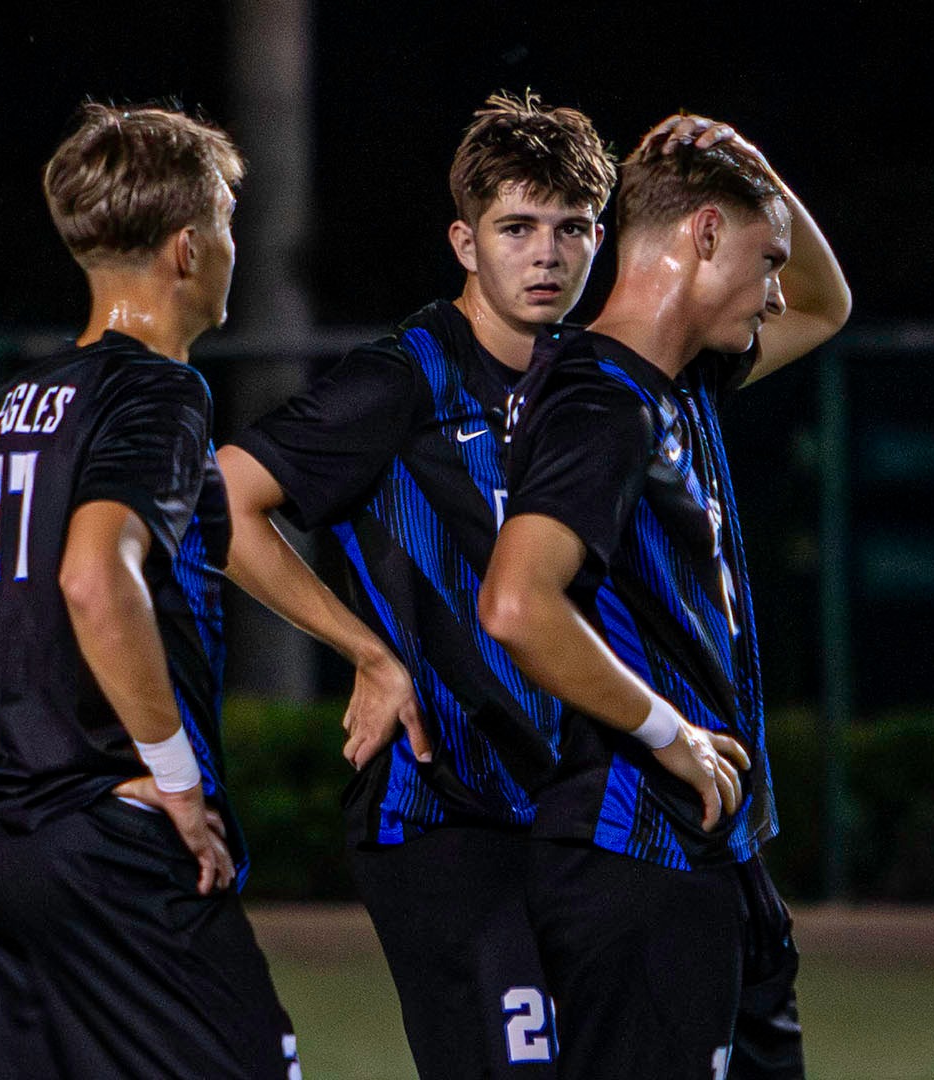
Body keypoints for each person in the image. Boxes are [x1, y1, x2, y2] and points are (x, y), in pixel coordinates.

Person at [0, 102, 299, 1080]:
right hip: (121, 851)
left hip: (15, 857)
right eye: (230, 228)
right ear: (187, 249)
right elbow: (94, 576)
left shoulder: (6, 410)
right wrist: (175, 778)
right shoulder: (160, 393)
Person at [217, 90, 614, 1078]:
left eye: (572, 229)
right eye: (516, 228)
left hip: (582, 811)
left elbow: (813, 316)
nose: (547, 254)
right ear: (465, 242)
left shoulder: (601, 381)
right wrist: (367, 651)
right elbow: (222, 501)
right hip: (440, 808)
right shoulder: (406, 378)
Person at [479, 116, 850, 1079]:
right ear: (705, 237)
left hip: (711, 856)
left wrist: (759, 167)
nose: (777, 289)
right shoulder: (602, 400)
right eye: (764, 258)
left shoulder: (676, 384)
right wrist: (666, 732)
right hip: (635, 850)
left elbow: (827, 302)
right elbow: (517, 603)